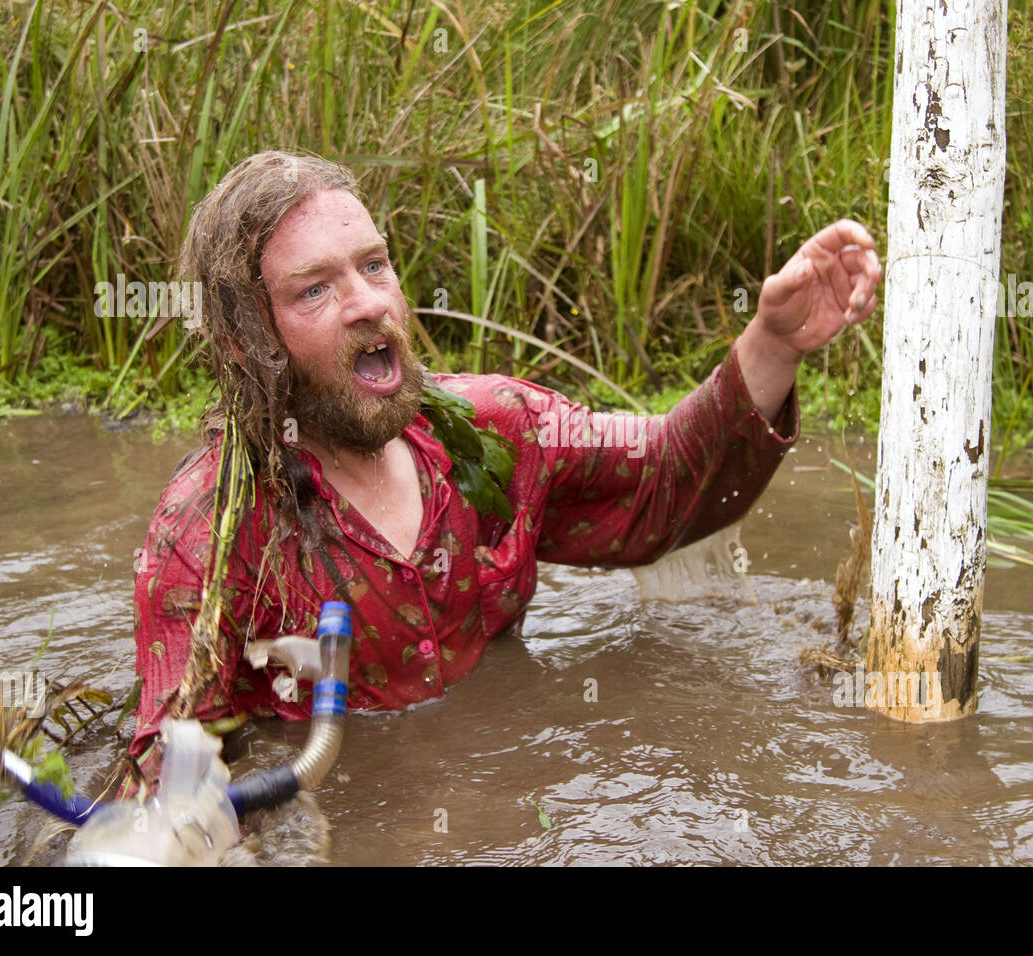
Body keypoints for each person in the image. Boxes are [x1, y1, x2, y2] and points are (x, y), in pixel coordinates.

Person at [129, 151, 881, 784]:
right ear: (242, 337)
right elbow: (170, 772)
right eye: (316, 289)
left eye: (374, 265)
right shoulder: (208, 536)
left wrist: (775, 342)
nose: (367, 304)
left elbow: (659, 479)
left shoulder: (494, 431)